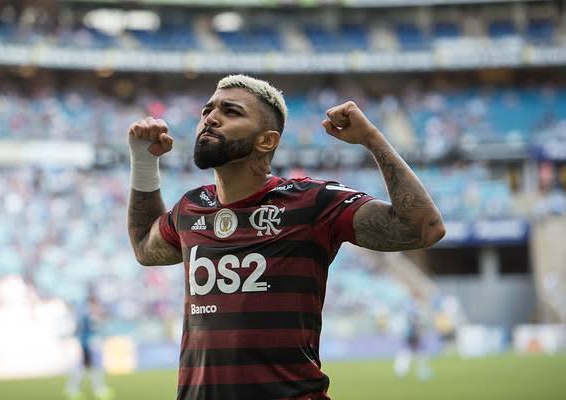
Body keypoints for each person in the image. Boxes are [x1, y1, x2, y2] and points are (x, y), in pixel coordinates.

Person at [126, 75, 446, 399]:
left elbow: (423, 227)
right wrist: (143, 160)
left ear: (266, 141)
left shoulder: (313, 202)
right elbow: (143, 248)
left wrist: (372, 139)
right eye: (207, 110)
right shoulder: (191, 208)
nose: (210, 118)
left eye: (231, 111)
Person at [65, 294, 113, 400]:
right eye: (95, 304)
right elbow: (84, 331)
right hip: (88, 345)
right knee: (87, 368)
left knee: (91, 368)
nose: (97, 306)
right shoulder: (87, 316)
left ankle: (95, 389)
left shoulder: (90, 315)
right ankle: (76, 389)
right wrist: (84, 345)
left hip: (91, 345)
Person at [393, 307, 432, 380]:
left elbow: (418, 335)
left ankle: (422, 372)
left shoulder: (414, 325)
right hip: (411, 342)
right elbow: (412, 336)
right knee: (406, 356)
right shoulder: (412, 326)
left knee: (419, 357)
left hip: (413, 342)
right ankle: (402, 372)